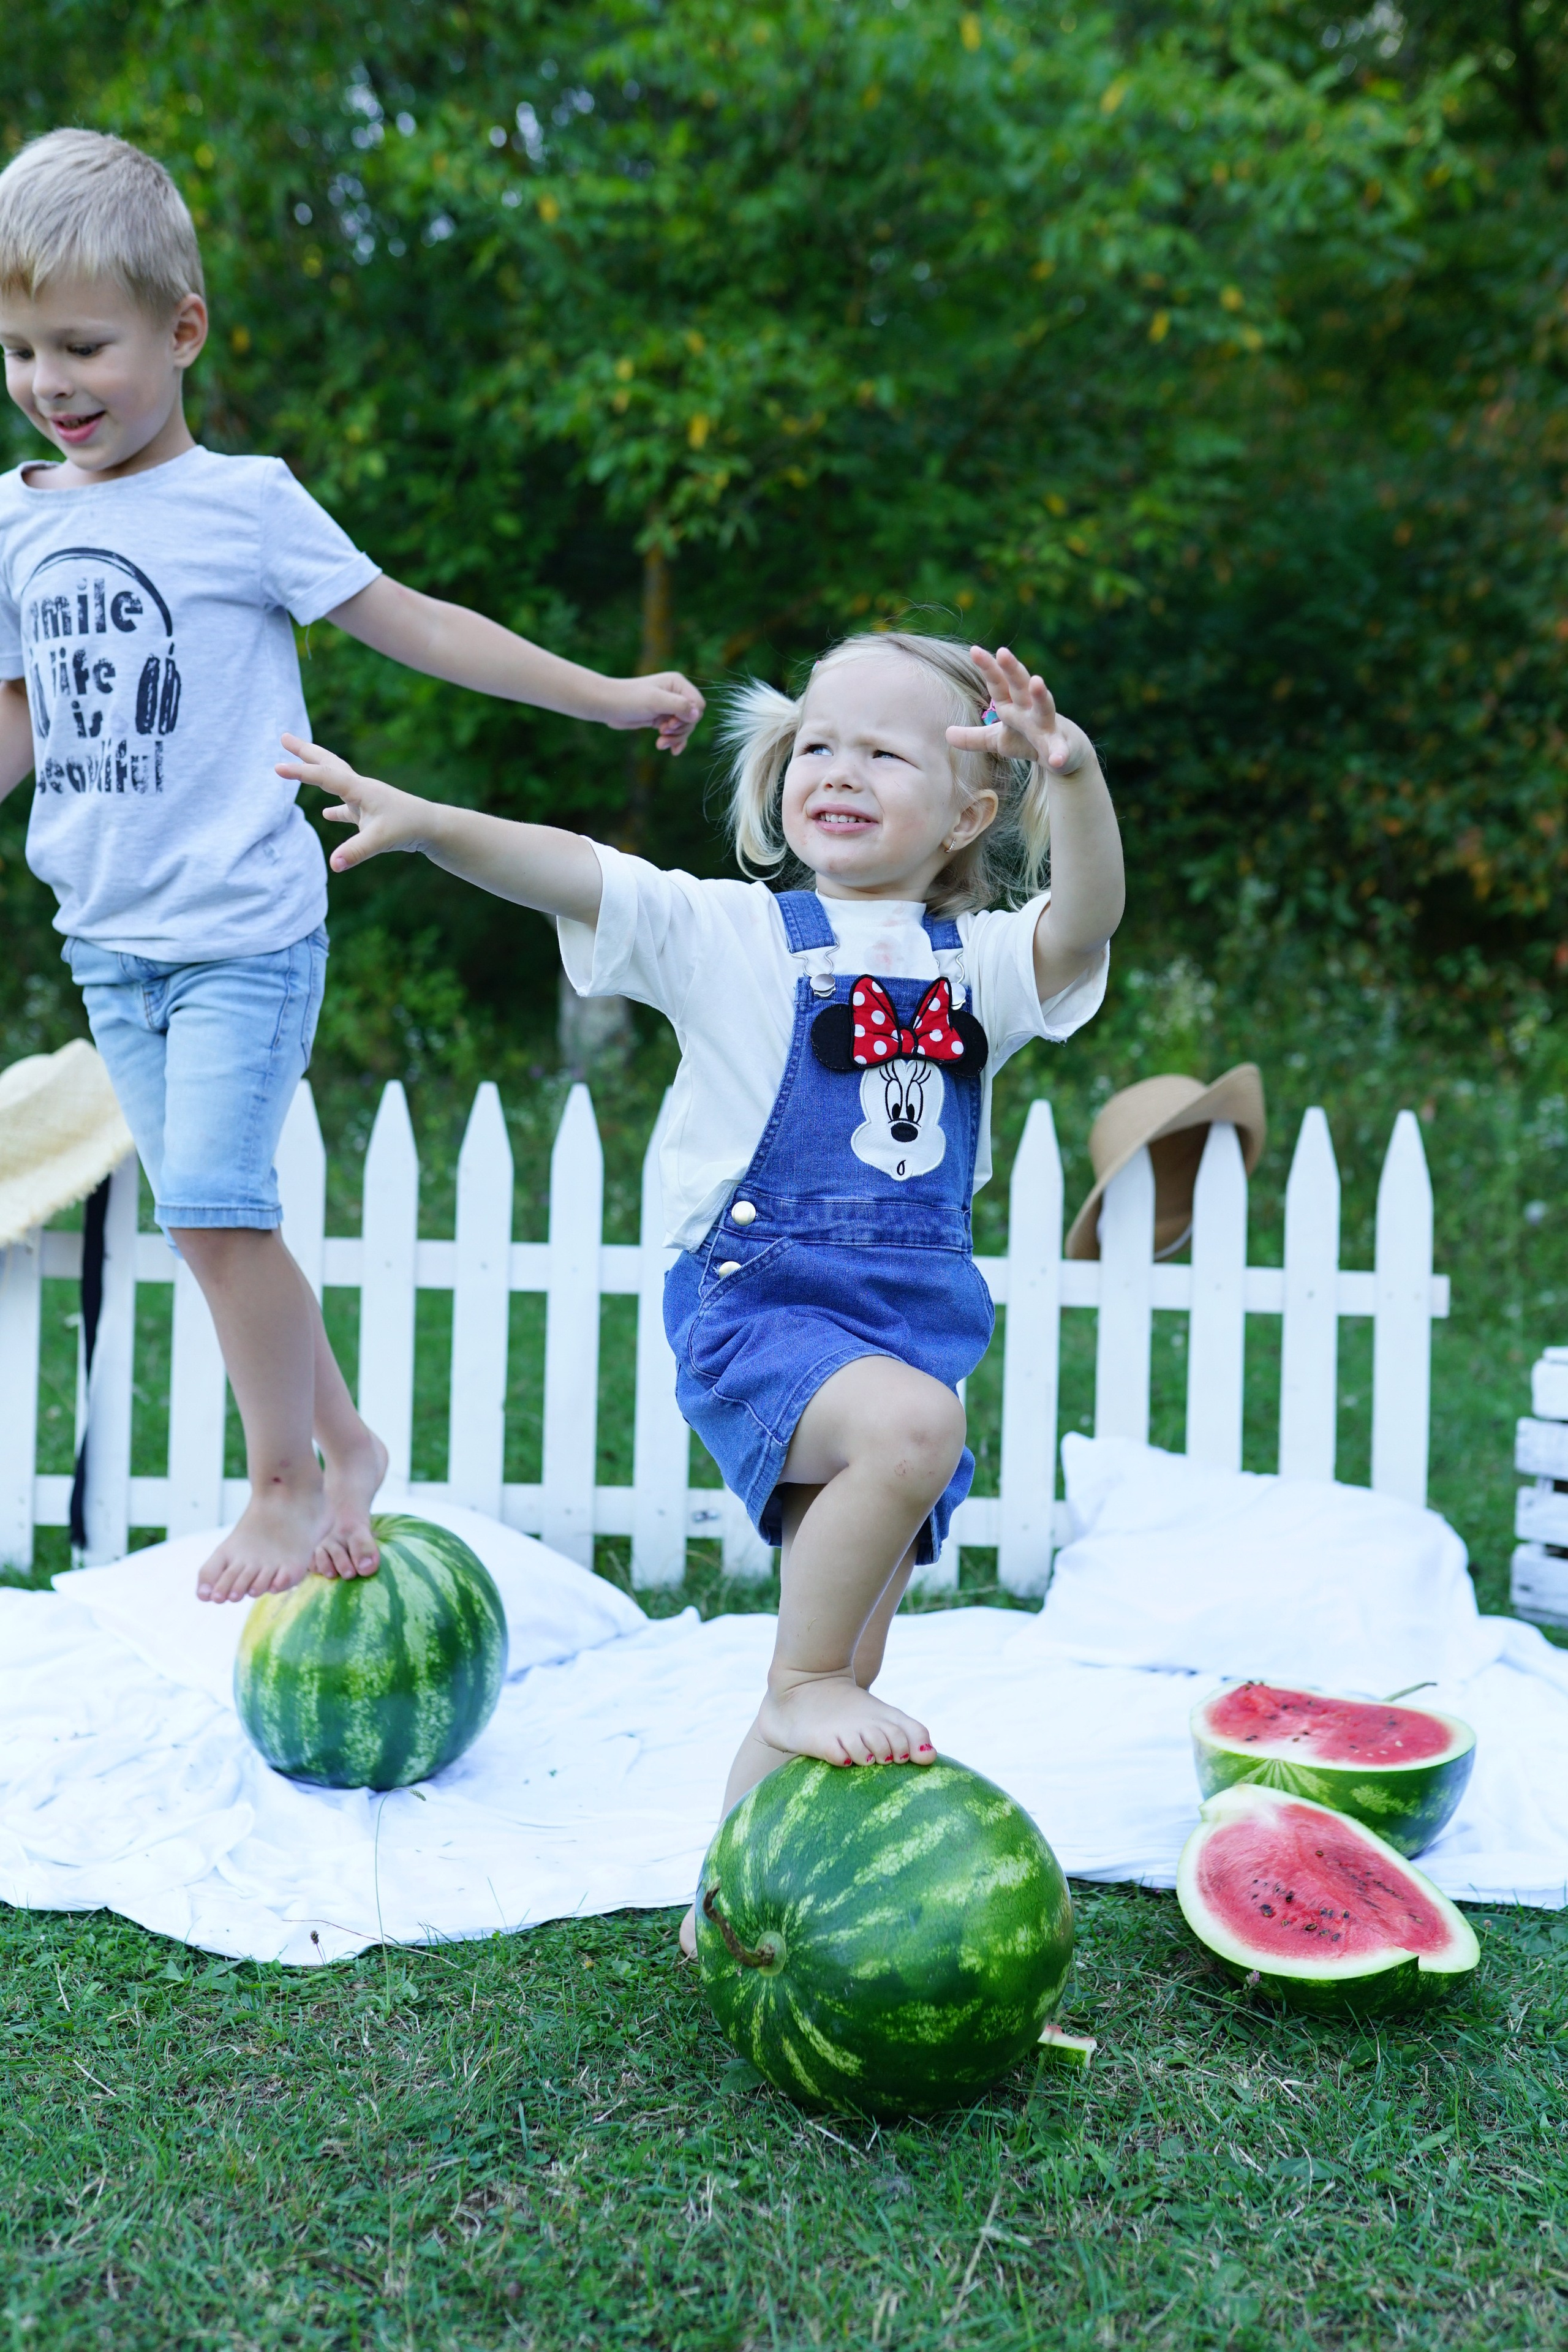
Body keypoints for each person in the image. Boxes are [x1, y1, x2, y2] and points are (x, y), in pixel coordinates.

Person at [277, 626, 1123, 1948]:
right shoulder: (728, 930)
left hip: (906, 1329)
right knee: (888, 1496)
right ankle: (797, 1679)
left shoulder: (980, 968)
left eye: (883, 752)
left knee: (853, 1659)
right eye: (817, 744)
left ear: (968, 814)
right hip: (759, 1307)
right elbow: (573, 869)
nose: (838, 769)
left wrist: (1070, 776)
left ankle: (731, 1903)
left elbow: (1085, 923)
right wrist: (431, 822)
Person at [0, 130, 704, 1604]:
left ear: (182, 331)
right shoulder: (18, 518)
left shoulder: (245, 503)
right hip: (108, 938)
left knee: (213, 1206)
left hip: (243, 932)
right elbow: (20, 712)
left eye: (83, 346)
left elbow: (418, 624)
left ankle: (284, 1485)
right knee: (212, 1228)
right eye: (19, 351)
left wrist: (603, 696)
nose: (50, 382)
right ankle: (349, 1443)